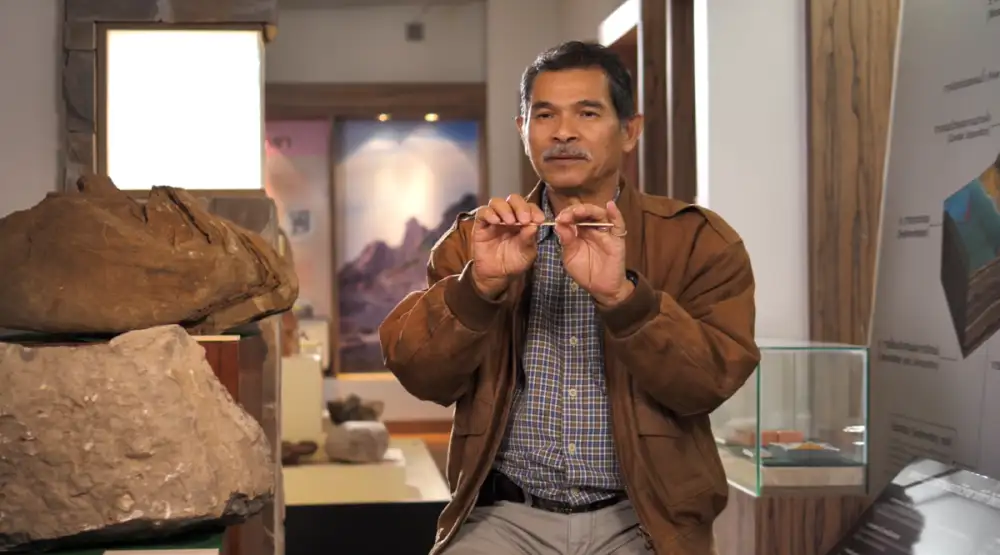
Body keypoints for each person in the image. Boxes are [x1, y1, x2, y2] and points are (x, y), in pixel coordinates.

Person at [379, 40, 760, 555]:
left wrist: (623, 298)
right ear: (523, 130)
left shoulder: (697, 240)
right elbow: (421, 376)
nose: (563, 132)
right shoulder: (477, 239)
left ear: (630, 131)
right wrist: (479, 288)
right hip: (504, 516)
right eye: (544, 115)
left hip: (645, 521)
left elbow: (709, 383)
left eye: (587, 112)